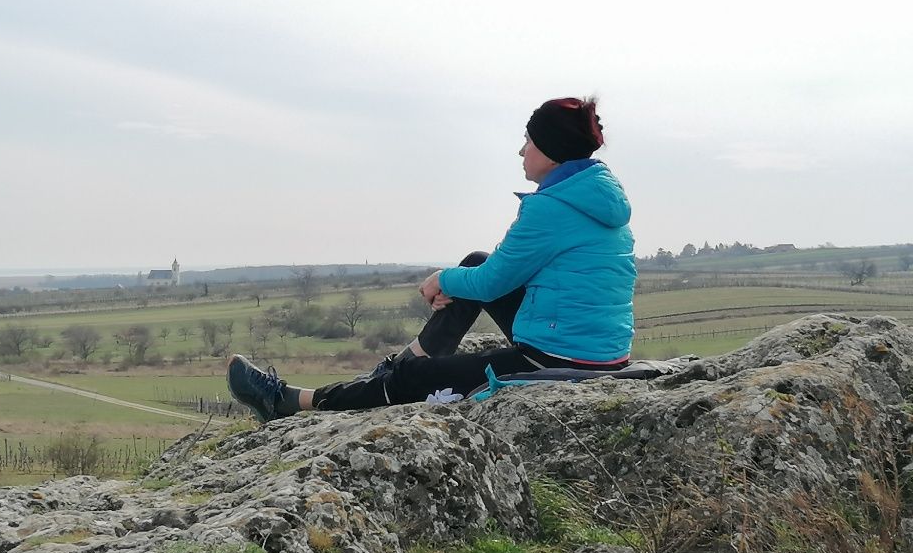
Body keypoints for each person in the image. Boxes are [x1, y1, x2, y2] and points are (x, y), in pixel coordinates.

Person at [227, 96, 636, 422]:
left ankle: (289, 401)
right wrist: (457, 277)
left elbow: (492, 284)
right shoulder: (594, 195)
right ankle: (412, 357)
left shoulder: (551, 208)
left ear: (551, 150)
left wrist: (441, 278)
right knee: (475, 262)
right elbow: (494, 272)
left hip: (559, 357)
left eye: (528, 141)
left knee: (409, 379)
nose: (521, 150)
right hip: (595, 346)